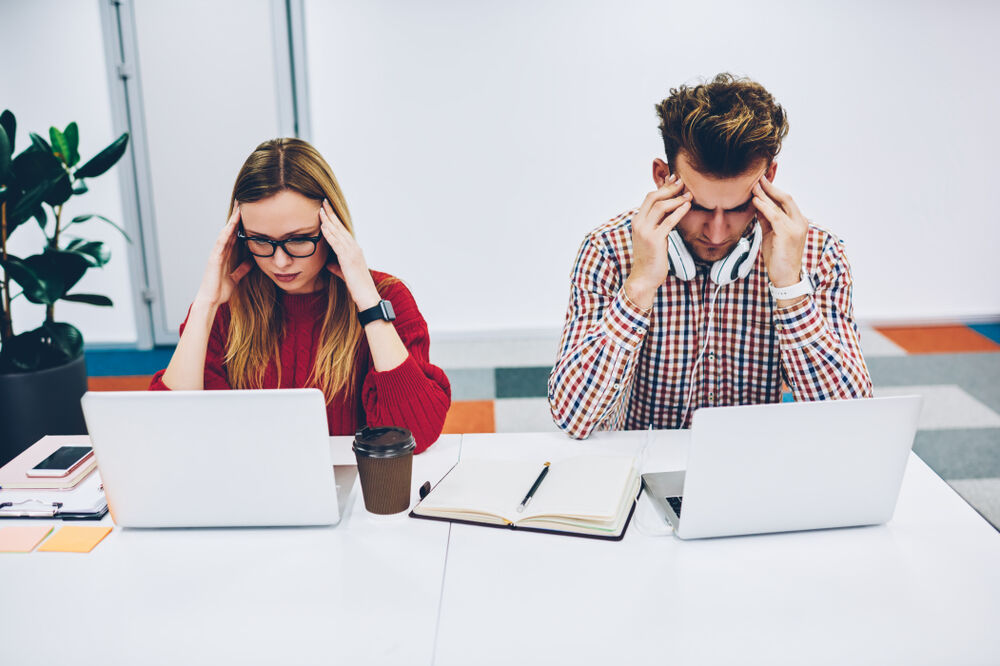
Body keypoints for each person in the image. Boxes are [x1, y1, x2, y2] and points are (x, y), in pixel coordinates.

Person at [548, 73, 872, 439]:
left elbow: (851, 424)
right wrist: (638, 288)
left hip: (758, 470)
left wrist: (790, 291)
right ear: (662, 177)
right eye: (699, 207)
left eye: (738, 208)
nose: (716, 233)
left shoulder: (818, 255)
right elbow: (572, 417)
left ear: (769, 179)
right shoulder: (608, 249)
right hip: (644, 474)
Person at [150, 138, 451, 453]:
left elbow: (416, 433)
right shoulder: (225, 306)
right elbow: (170, 431)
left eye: (298, 240)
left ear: (331, 226)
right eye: (260, 241)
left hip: (353, 494)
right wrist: (205, 305)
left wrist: (367, 302)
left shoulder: (386, 297)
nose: (280, 261)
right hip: (247, 488)